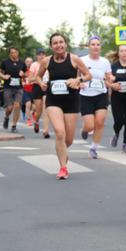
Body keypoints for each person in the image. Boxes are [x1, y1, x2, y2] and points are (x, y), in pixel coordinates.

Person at [36, 33, 91, 180]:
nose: (59, 45)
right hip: (53, 101)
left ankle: (63, 153)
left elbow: (88, 75)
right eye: (55, 43)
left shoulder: (74, 59)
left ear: (65, 44)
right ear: (51, 46)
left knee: (69, 140)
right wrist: (40, 83)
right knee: (60, 133)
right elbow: (38, 76)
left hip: (71, 101)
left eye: (61, 42)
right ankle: (63, 168)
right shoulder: (46, 61)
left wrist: (77, 79)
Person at [79, 37, 112, 159]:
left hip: (101, 94)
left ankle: (93, 148)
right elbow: (76, 75)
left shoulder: (105, 61)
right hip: (86, 95)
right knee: (90, 125)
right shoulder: (82, 60)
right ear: (89, 46)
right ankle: (84, 129)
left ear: (100, 47)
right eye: (93, 44)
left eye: (98, 44)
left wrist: (111, 78)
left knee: (100, 122)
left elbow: (108, 75)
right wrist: (79, 83)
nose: (95, 46)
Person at [0, 47, 27, 133]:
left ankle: (14, 125)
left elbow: (26, 74)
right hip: (8, 87)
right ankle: (6, 117)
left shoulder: (22, 63)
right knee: (10, 108)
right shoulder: (5, 62)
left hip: (18, 88)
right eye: (12, 52)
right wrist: (3, 76)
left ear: (18, 53)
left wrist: (23, 74)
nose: (14, 54)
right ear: (9, 54)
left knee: (17, 106)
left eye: (15, 52)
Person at [29, 49, 47, 136]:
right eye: (39, 55)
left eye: (43, 54)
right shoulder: (34, 65)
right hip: (37, 87)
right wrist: (38, 78)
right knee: (39, 110)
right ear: (37, 56)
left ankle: (45, 130)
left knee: (46, 109)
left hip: (47, 86)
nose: (41, 56)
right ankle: (36, 121)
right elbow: (30, 79)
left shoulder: (48, 63)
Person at [21, 56, 34, 126]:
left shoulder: (34, 70)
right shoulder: (22, 70)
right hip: (25, 90)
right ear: (25, 63)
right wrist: (22, 82)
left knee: (35, 107)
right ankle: (28, 120)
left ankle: (32, 113)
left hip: (34, 89)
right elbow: (19, 78)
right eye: (27, 62)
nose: (29, 63)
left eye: (31, 62)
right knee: (28, 104)